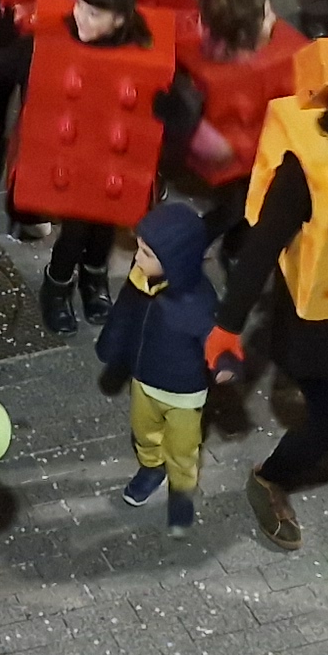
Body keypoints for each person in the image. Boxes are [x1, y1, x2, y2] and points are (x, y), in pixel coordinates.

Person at [92, 199, 221, 532]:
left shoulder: (199, 303)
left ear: (175, 261)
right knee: (144, 432)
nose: (137, 258)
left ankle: (181, 492)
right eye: (139, 249)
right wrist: (111, 346)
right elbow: (124, 316)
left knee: (182, 447)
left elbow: (217, 340)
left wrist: (225, 363)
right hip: (144, 380)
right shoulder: (138, 283)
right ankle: (151, 467)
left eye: (147, 254)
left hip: (184, 394)